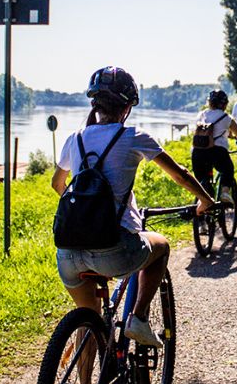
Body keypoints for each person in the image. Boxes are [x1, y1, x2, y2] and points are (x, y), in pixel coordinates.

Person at [51, 66, 214, 347]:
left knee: (89, 318)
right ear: (127, 107)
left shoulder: (74, 139)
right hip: (115, 251)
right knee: (161, 246)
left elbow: (57, 184)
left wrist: (86, 214)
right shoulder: (133, 137)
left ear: (94, 103)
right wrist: (205, 200)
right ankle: (138, 318)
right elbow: (180, 175)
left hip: (68, 254)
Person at [191, 89, 237, 207]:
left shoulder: (201, 115)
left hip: (197, 152)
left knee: (202, 181)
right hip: (217, 151)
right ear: (224, 104)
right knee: (228, 169)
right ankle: (225, 193)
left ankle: (202, 202)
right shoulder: (226, 117)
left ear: (209, 102)